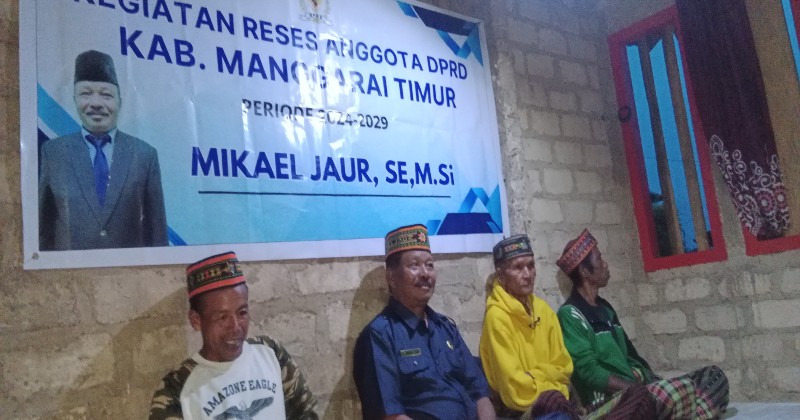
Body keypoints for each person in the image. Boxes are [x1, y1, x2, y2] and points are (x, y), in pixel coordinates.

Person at [556, 230, 729, 419]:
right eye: (599, 259)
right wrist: (638, 391)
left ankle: (673, 410)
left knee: (713, 377)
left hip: (638, 392)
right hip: (609, 403)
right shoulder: (570, 315)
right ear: (584, 271)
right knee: (678, 392)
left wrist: (652, 381)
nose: (605, 264)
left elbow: (631, 356)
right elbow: (588, 372)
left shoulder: (605, 309)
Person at [480, 235, 655, 420]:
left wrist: (535, 376)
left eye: (531, 265)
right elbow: (516, 392)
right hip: (522, 412)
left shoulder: (543, 310)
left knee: (640, 397)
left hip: (561, 404)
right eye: (518, 267)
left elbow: (564, 369)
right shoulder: (496, 318)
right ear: (501, 275)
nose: (528, 274)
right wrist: (550, 378)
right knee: (555, 404)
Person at [149, 251, 318, 420]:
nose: (236, 327)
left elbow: (305, 413)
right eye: (222, 317)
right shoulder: (176, 389)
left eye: (242, 313)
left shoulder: (271, 353)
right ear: (196, 320)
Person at [353, 224, 496, 420]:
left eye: (429, 265)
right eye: (414, 265)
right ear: (391, 277)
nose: (425, 274)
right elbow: (391, 415)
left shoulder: (445, 328)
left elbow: (480, 393)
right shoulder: (380, 336)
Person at [39, 49, 167, 250]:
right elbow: (42, 229)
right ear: (74, 98)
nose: (96, 104)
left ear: (119, 101)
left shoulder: (144, 154)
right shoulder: (53, 152)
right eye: (86, 94)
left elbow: (157, 234)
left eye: (106, 95)